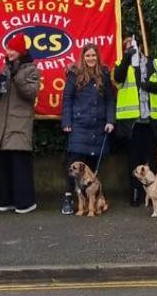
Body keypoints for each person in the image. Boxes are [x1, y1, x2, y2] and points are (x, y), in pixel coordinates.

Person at [0, 34, 42, 214]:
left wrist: (16, 76)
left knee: (20, 166)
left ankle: (25, 202)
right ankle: (6, 199)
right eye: (7, 49)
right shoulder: (5, 68)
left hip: (19, 124)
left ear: (19, 51)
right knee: (4, 165)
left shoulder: (32, 70)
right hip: (3, 124)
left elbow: (31, 93)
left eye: (11, 49)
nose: (7, 52)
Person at [61, 44, 116, 215]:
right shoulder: (74, 75)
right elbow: (67, 99)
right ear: (83, 58)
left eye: (93, 55)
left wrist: (110, 120)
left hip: (98, 127)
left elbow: (110, 100)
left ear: (97, 57)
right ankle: (69, 199)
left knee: (91, 169)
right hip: (79, 126)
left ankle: (92, 202)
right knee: (73, 167)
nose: (91, 58)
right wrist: (67, 121)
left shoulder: (104, 75)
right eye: (88, 56)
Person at [113, 36, 157, 206]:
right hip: (133, 122)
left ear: (140, 46)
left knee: (149, 159)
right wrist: (128, 58)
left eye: (133, 45)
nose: (131, 48)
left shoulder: (153, 63)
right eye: (127, 46)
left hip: (151, 120)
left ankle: (152, 193)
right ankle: (135, 192)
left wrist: (149, 86)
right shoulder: (122, 64)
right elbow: (118, 78)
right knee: (134, 160)